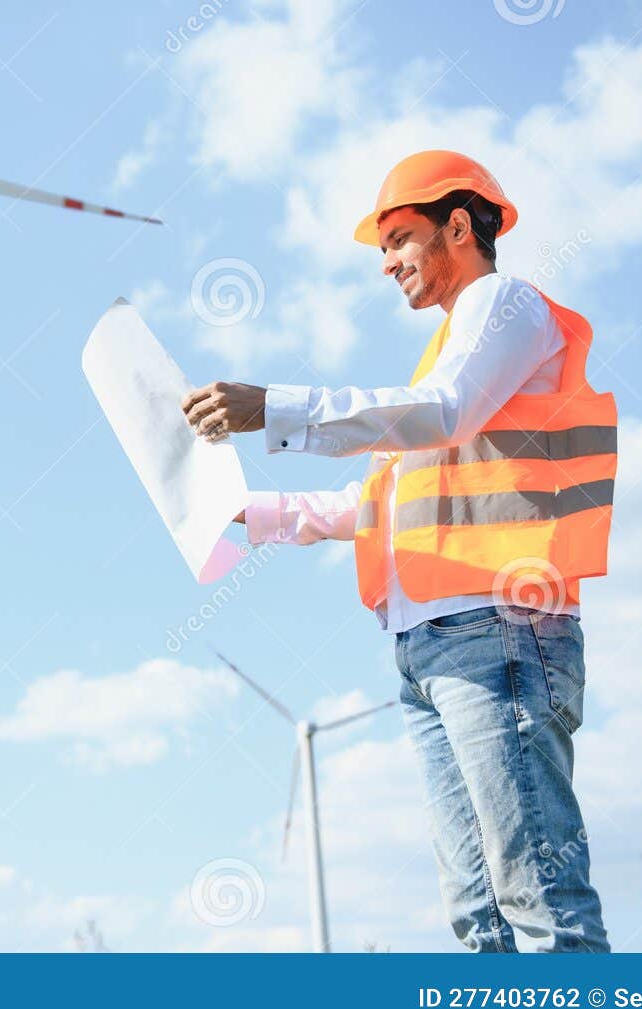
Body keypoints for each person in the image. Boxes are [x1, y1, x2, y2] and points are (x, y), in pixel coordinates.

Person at [181, 150, 616, 952]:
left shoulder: (504, 306)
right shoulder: (451, 352)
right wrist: (248, 511)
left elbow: (440, 412)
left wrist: (273, 405)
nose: (386, 265)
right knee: (479, 919)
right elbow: (374, 502)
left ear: (459, 226)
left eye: (399, 240)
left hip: (499, 633)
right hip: (432, 649)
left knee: (539, 903)